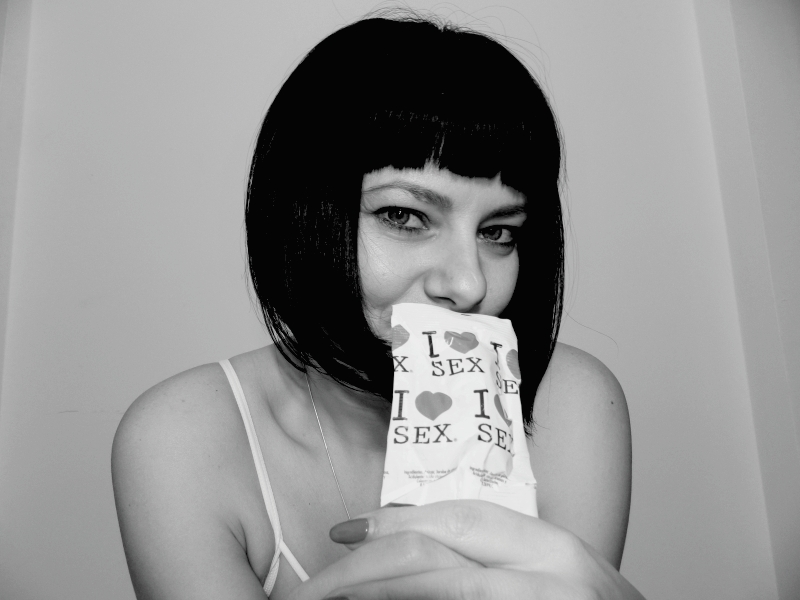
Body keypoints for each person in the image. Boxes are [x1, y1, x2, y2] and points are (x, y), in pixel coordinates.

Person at [112, 13, 643, 600]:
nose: (468, 284)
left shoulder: (571, 402)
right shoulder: (183, 440)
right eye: (404, 216)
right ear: (301, 212)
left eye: (498, 232)